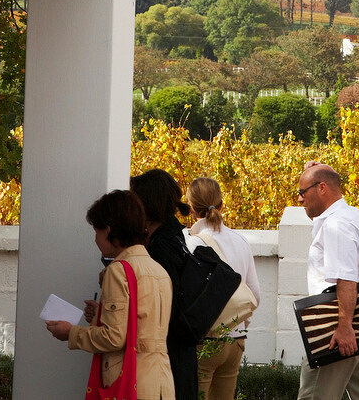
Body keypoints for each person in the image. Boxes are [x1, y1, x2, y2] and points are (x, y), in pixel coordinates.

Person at [45, 189, 174, 400]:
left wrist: (70, 333)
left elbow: (114, 337)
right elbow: (140, 323)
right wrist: (101, 314)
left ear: (108, 230)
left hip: (130, 381)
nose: (95, 239)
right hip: (161, 381)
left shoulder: (119, 270)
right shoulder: (158, 270)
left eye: (96, 231)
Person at [295, 161, 359, 400]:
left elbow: (345, 278)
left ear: (322, 188)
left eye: (302, 192)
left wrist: (344, 327)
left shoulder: (336, 225)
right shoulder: (350, 215)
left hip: (336, 328)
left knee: (314, 396)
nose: (300, 199)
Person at [187, 177, 261, 400]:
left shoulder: (191, 243)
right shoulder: (241, 241)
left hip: (205, 340)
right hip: (236, 339)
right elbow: (255, 295)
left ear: (191, 209)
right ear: (222, 205)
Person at [130, 169, 199, 400]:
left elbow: (160, 302)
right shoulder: (176, 235)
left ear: (147, 202)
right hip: (177, 352)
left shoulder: (163, 245)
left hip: (169, 353)